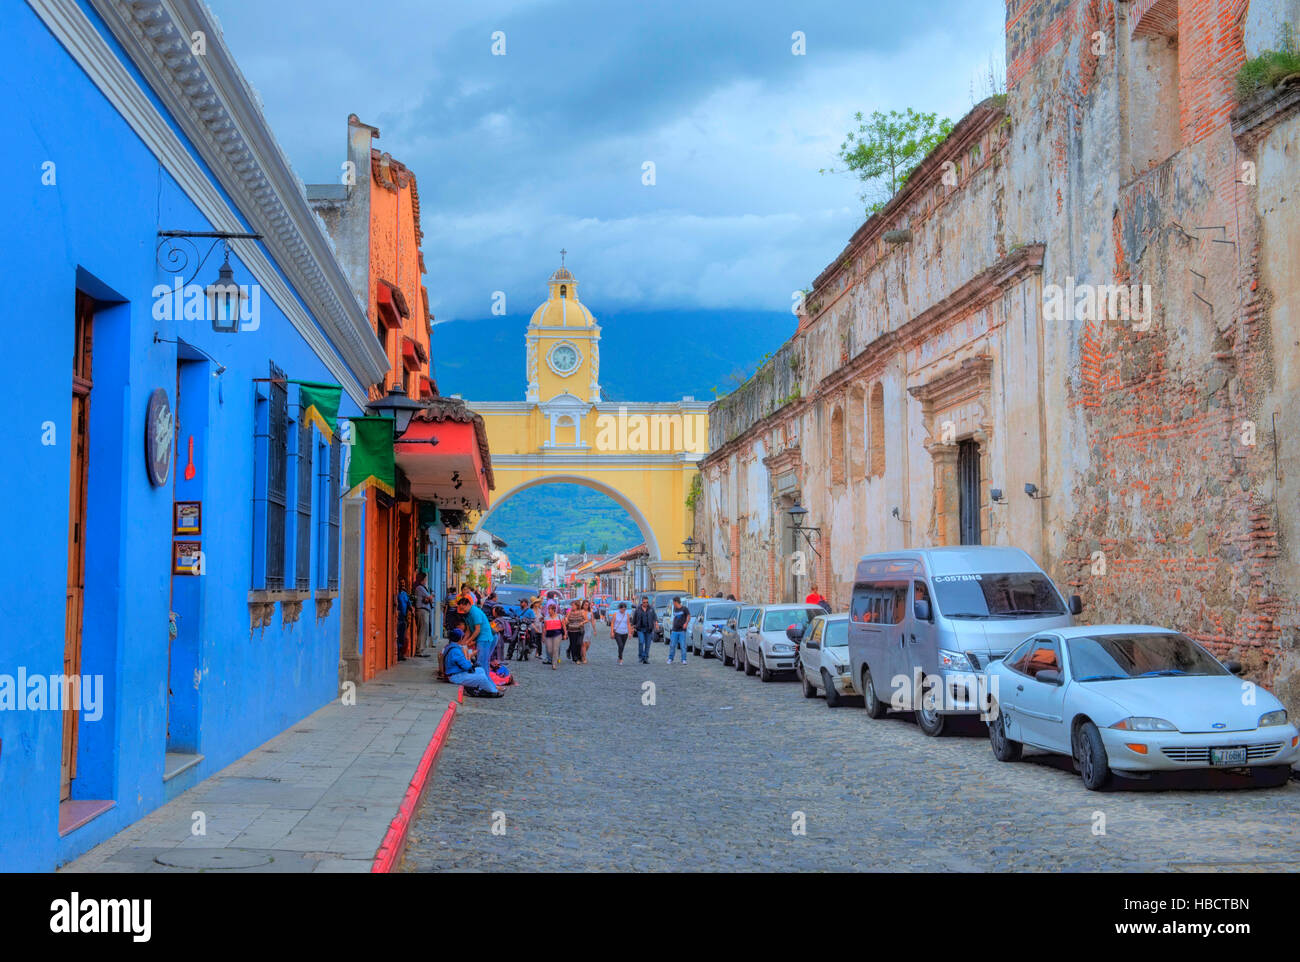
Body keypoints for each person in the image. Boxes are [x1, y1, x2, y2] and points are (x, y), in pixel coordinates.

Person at [443, 628, 501, 697]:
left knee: (480, 670)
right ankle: (493, 691)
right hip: (456, 676)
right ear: (460, 639)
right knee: (481, 678)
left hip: (457, 673)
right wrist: (470, 658)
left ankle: (483, 688)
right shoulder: (455, 651)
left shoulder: (451, 647)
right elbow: (466, 666)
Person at [457, 595, 497, 672]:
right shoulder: (467, 614)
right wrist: (463, 642)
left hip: (484, 638)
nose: (462, 610)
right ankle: (485, 679)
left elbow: (477, 630)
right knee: (482, 661)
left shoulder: (475, 612)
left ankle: (484, 680)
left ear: (468, 605)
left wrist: (468, 641)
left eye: (463, 608)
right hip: (481, 638)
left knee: (482, 662)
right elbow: (468, 631)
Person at [631, 596, 657, 664]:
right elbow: (634, 619)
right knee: (641, 642)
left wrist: (656, 625)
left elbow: (655, 617)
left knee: (648, 644)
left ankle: (646, 658)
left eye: (647, 602)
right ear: (642, 602)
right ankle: (641, 656)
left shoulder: (651, 609)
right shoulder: (638, 609)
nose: (645, 604)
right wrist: (632, 628)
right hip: (640, 629)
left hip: (649, 629)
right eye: (644, 602)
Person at [411, 573, 433, 656]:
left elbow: (427, 599)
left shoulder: (421, 588)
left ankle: (421, 650)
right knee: (422, 631)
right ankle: (420, 650)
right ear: (422, 580)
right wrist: (430, 596)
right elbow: (429, 597)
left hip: (423, 611)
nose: (426, 581)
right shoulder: (420, 588)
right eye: (425, 579)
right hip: (422, 611)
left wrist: (429, 598)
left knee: (424, 630)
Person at [668, 596, 690, 665]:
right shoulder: (674, 609)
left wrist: (686, 623)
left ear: (676, 602)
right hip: (674, 630)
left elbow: (689, 616)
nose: (673, 603)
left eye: (673, 602)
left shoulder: (684, 609)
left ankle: (683, 659)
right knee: (672, 645)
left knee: (683, 646)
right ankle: (670, 658)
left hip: (681, 630)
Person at [542, 603, 564, 669]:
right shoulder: (546, 618)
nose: (548, 611)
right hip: (548, 634)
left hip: (557, 634)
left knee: (555, 649)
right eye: (548, 609)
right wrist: (543, 636)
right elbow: (544, 628)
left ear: (554, 610)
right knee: (549, 650)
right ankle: (554, 658)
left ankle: (554, 663)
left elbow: (563, 626)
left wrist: (565, 633)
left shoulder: (560, 617)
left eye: (550, 609)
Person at [395, 579, 410, 662]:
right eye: (401, 583)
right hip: (398, 617)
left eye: (403, 583)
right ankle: (397, 654)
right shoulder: (397, 594)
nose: (402, 585)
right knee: (398, 635)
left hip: (404, 617)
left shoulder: (405, 594)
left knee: (402, 637)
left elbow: (408, 604)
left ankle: (401, 653)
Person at [581, 600, 594, 664]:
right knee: (583, 643)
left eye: (587, 605)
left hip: (588, 628)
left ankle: (582, 654)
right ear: (583, 605)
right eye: (585, 605)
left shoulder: (590, 612)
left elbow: (592, 621)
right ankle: (584, 658)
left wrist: (594, 630)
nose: (586, 606)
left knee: (588, 644)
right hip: (582, 629)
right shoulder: (580, 612)